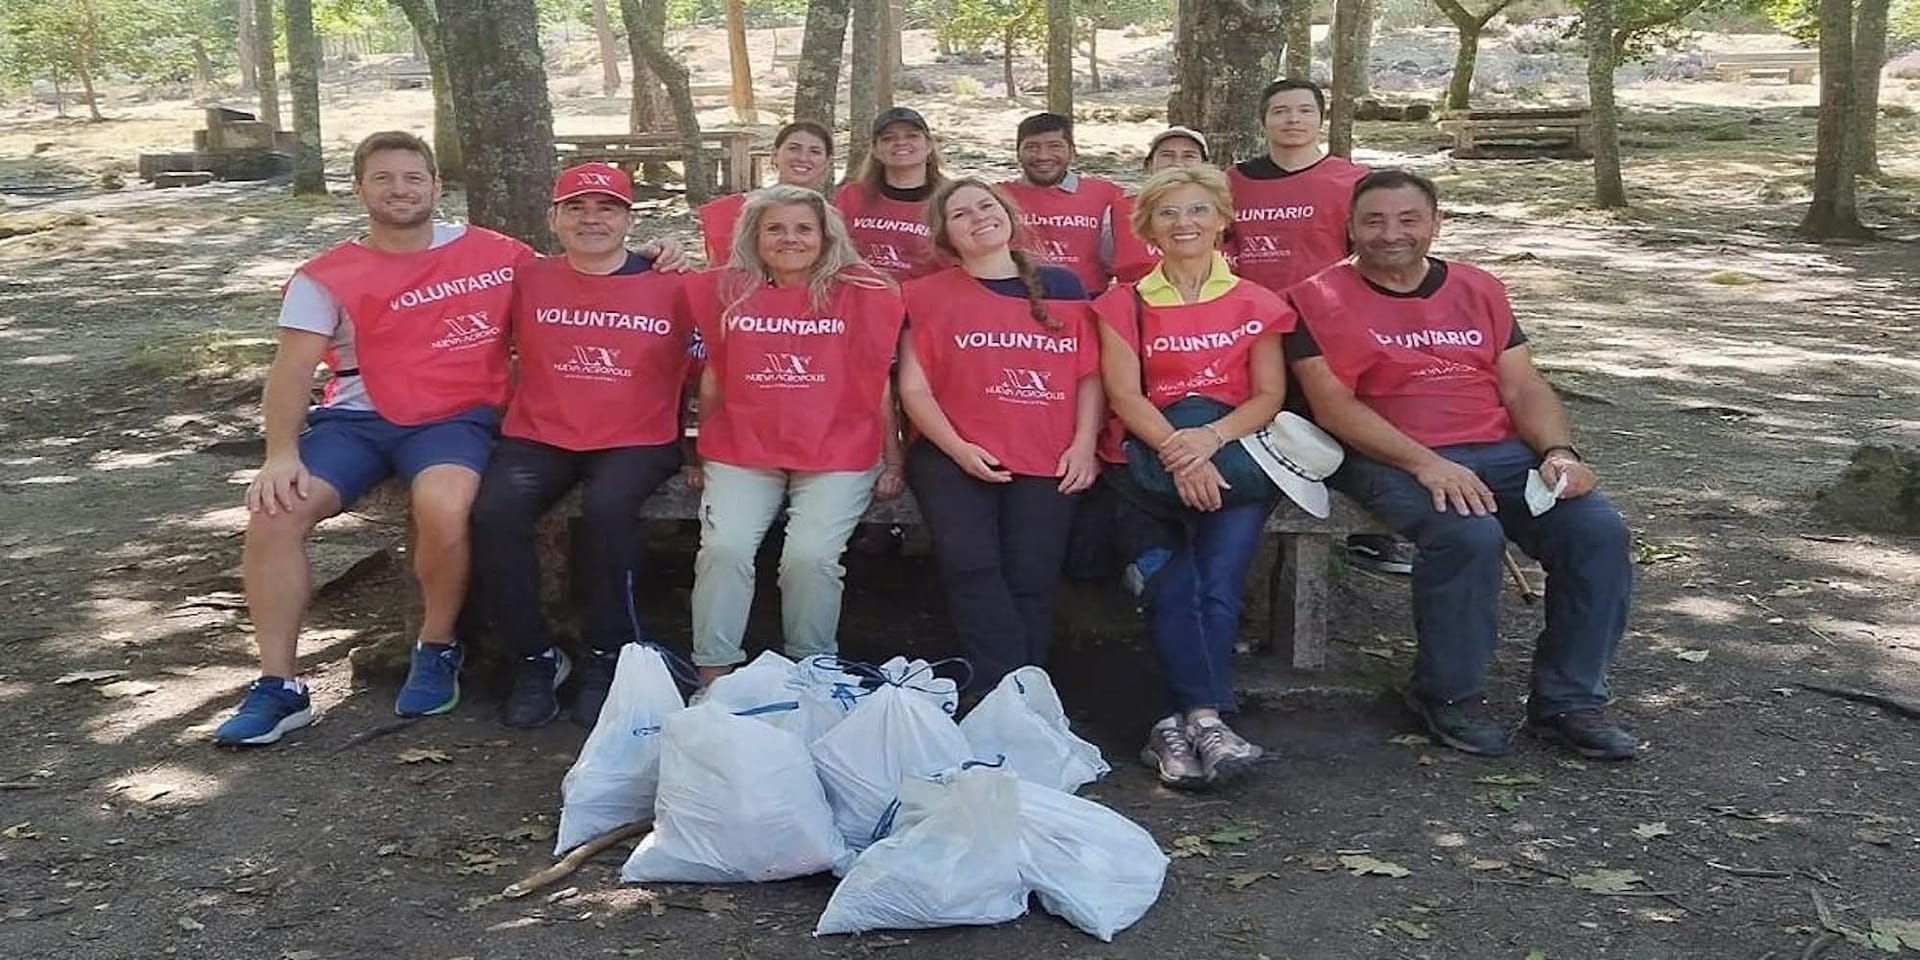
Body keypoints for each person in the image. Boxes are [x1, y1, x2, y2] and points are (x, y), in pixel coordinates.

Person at [1287, 169, 1637, 761]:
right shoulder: (1313, 298)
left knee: (1597, 533)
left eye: (1407, 219)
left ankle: (1569, 701)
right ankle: (1446, 695)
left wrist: (1559, 453)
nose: (1390, 233)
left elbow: (1523, 386)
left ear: (1435, 223)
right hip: (1387, 453)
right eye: (1372, 220)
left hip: (1500, 451)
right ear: (1349, 227)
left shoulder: (1480, 288)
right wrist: (1426, 464)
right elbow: (1334, 408)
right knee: (1466, 534)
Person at [212, 131, 530, 746]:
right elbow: (291, 373)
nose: (399, 189)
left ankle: (436, 646)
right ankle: (279, 685)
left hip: (455, 417)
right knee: (273, 516)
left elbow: (582, 281)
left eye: (413, 177)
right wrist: (279, 454)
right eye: (383, 178)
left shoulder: (497, 253)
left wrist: (655, 258)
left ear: (437, 186)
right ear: (359, 190)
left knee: (443, 503)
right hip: (356, 419)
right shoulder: (326, 276)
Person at [469, 163, 694, 730]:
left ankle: (605, 655)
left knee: (609, 511)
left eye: (607, 208)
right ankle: (534, 659)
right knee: (494, 513)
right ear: (554, 218)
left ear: (628, 219)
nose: (591, 218)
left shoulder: (673, 283)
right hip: (542, 432)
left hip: (637, 436)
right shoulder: (527, 277)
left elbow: (717, 354)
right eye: (576, 208)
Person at [1093, 165, 1294, 789]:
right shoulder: (1120, 301)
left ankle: (1189, 723)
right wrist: (1183, 455)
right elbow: (1125, 396)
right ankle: (1200, 720)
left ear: (1223, 220)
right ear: (1147, 226)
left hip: (1231, 458)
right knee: (1170, 584)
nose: (1185, 224)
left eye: (1199, 210)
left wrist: (1208, 442)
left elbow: (1268, 395)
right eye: (1169, 213)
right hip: (1142, 465)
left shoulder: (1259, 303)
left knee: (1218, 586)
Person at [684, 185, 907, 687]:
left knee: (809, 557)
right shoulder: (728, 290)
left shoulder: (864, 293)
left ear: (826, 236)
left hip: (837, 449)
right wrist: (698, 453)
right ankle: (714, 677)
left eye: (804, 228)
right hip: (745, 448)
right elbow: (715, 377)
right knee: (725, 549)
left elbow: (877, 382)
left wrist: (893, 461)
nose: (790, 238)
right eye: (776, 228)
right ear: (754, 236)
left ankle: (813, 674)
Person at [898, 178, 1102, 691]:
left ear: (1008, 213)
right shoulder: (924, 294)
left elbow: (1090, 375)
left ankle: (1025, 695)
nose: (977, 217)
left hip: (1048, 450)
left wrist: (1083, 445)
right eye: (960, 214)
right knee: (972, 567)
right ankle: (1004, 691)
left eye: (986, 206)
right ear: (946, 237)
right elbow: (914, 391)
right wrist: (959, 450)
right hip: (951, 451)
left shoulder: (1063, 286)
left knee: (1031, 576)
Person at [1229, 78, 1410, 576]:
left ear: (1320, 119)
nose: (1292, 120)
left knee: (1350, 414)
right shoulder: (1232, 181)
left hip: (1330, 320)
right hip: (1251, 323)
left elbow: (1375, 249)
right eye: (1280, 110)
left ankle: (1372, 534)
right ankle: (1259, 522)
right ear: (1263, 120)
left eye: (1304, 110)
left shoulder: (1353, 181)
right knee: (1266, 418)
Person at [998, 112, 1125, 293]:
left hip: (1087, 302)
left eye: (1054, 146)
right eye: (1032, 147)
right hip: (1016, 301)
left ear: (1072, 151)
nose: (1043, 156)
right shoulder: (996, 197)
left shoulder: (1107, 194)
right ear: (1018, 152)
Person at [698, 120, 835, 265]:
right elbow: (715, 273)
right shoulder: (728, 211)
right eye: (794, 149)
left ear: (828, 162)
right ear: (775, 155)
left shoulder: (834, 219)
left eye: (815, 152)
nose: (802, 158)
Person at [834, 107, 948, 281]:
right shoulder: (850, 196)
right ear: (875, 150)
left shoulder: (950, 199)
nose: (901, 142)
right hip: (859, 296)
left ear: (928, 146)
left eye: (912, 135)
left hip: (926, 301)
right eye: (888, 138)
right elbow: (831, 252)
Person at [1109, 126, 1211, 288]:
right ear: (1149, 164)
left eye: (1188, 156)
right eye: (1167, 155)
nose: (1177, 163)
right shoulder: (1119, 208)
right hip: (1139, 302)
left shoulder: (1219, 207)